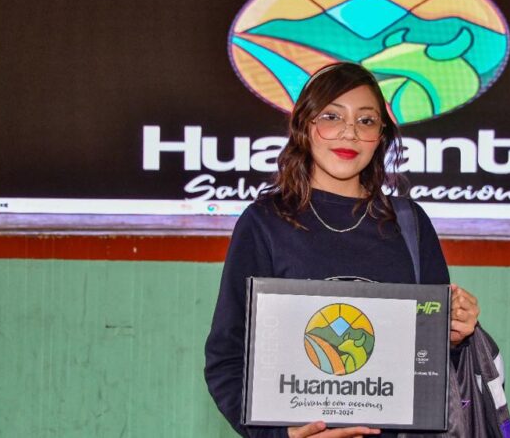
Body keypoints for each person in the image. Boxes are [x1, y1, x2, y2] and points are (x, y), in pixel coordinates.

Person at [204, 62, 483, 438]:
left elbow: (430, 365)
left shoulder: (410, 223)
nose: (349, 132)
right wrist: (279, 436)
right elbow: (227, 358)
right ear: (305, 126)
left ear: (380, 136)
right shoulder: (265, 222)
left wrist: (455, 335)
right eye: (332, 116)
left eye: (366, 121)